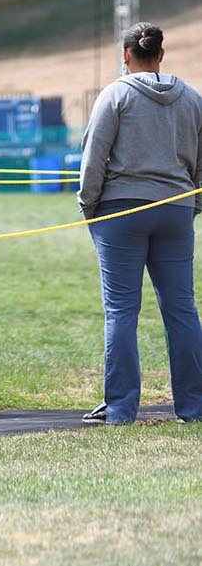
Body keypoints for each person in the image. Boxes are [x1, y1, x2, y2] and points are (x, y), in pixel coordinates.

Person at [78, 22, 202, 425]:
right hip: (175, 210)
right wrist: (191, 204)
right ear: (161, 55)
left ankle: (120, 409)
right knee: (182, 310)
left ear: (126, 55)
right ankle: (194, 407)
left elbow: (94, 156)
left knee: (121, 311)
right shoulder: (193, 99)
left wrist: (88, 205)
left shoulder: (116, 95)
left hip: (122, 212)